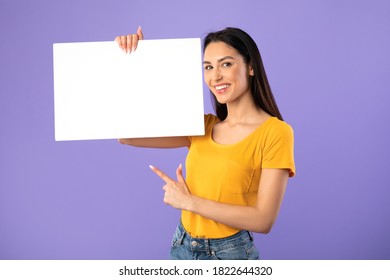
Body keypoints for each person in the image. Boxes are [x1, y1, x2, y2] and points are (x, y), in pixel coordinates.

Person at [115, 26, 295, 260]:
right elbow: (126, 135)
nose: (215, 76)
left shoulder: (276, 132)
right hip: (183, 244)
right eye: (208, 67)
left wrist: (190, 202)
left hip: (230, 254)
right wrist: (134, 61)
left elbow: (264, 220)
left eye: (226, 64)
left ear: (251, 67)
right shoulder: (201, 126)